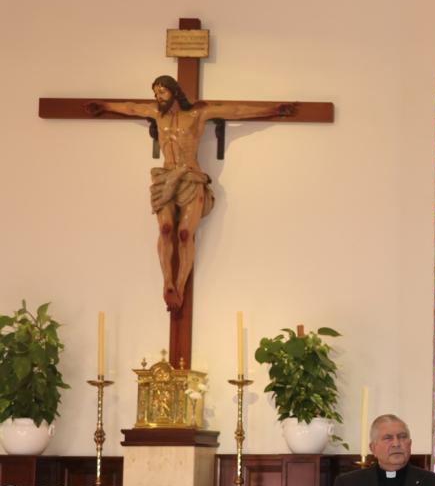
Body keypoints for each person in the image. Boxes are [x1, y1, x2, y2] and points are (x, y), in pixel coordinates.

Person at [86, 76, 295, 311]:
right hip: (165, 178)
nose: (158, 97)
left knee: (185, 233)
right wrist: (104, 106)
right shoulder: (157, 113)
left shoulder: (197, 114)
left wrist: (272, 110)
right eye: (155, 94)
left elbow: (236, 111)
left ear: (175, 91)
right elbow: (130, 108)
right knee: (165, 229)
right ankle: (167, 283)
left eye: (162, 92)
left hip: (191, 177)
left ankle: (181, 285)